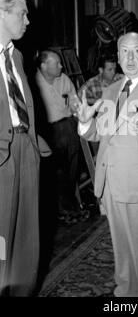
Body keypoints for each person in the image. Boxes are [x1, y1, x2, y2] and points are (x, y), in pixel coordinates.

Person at [72, 32, 138, 297]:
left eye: (136, 52)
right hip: (111, 184)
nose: (130, 58)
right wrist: (86, 122)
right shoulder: (112, 90)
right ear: (118, 56)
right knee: (123, 253)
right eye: (124, 52)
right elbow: (101, 133)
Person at [0, 0, 50, 296]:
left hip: (25, 149)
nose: (28, 21)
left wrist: (32, 144)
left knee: (26, 237)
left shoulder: (15, 56)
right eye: (22, 13)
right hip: (1, 156)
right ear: (1, 14)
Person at [35, 50, 81, 223]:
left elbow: (75, 101)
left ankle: (71, 207)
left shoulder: (64, 79)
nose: (61, 66)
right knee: (57, 174)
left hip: (69, 126)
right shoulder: (34, 82)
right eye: (57, 63)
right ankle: (63, 211)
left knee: (72, 170)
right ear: (44, 66)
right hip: (49, 132)